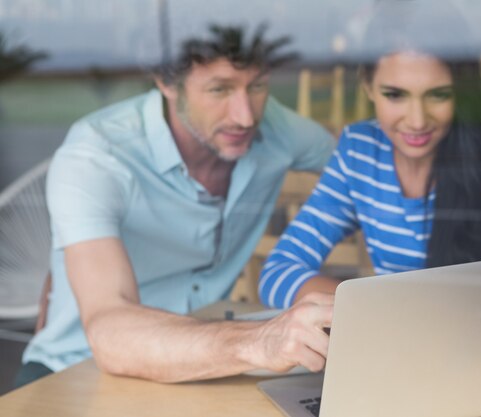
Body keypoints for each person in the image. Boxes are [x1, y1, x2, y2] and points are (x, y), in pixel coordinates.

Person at [258, 2, 481, 330]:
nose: (417, 121)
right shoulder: (359, 151)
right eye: (395, 95)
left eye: (439, 94)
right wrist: (376, 306)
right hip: (401, 359)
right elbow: (277, 273)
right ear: (368, 87)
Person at [16, 23, 337, 387]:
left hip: (210, 366)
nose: (245, 116)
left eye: (258, 85)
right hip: (75, 372)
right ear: (166, 82)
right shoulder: (98, 156)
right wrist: (264, 339)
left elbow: (363, 164)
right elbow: (110, 329)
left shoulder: (277, 129)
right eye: (220, 89)